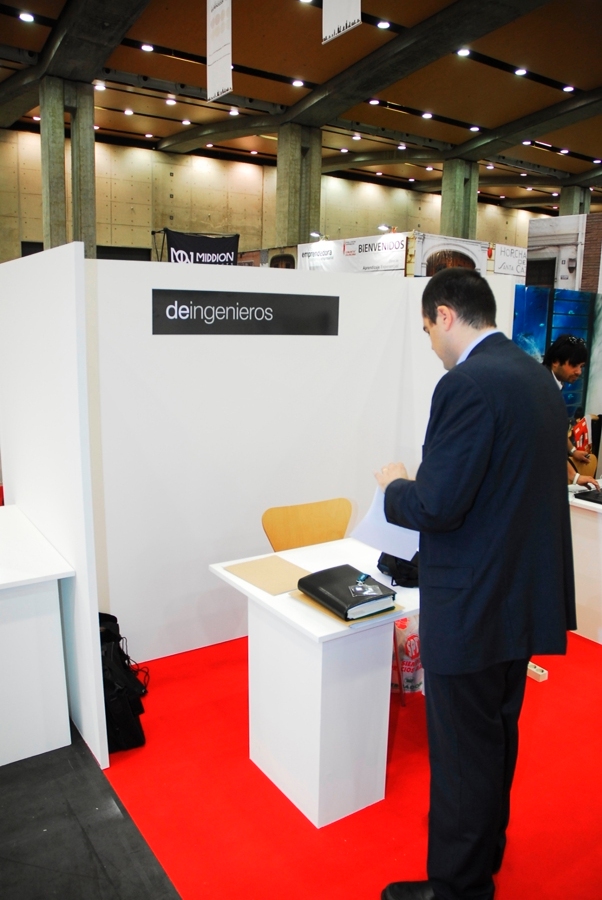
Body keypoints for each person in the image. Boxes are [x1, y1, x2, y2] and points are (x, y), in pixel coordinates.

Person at [376, 268, 576, 900]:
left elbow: (436, 505)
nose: (431, 345)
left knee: (463, 751)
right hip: (518, 598)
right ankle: (484, 853)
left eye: (427, 329)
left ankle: (458, 888)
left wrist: (395, 487)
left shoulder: (465, 384)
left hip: (472, 603)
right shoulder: (535, 378)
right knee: (495, 737)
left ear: (445, 314)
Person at [542, 334, 599, 489]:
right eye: (574, 365)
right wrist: (574, 476)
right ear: (555, 361)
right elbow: (548, 438)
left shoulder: (551, 381)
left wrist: (573, 451)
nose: (579, 372)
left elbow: (556, 429)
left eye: (581, 366)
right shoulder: (542, 388)